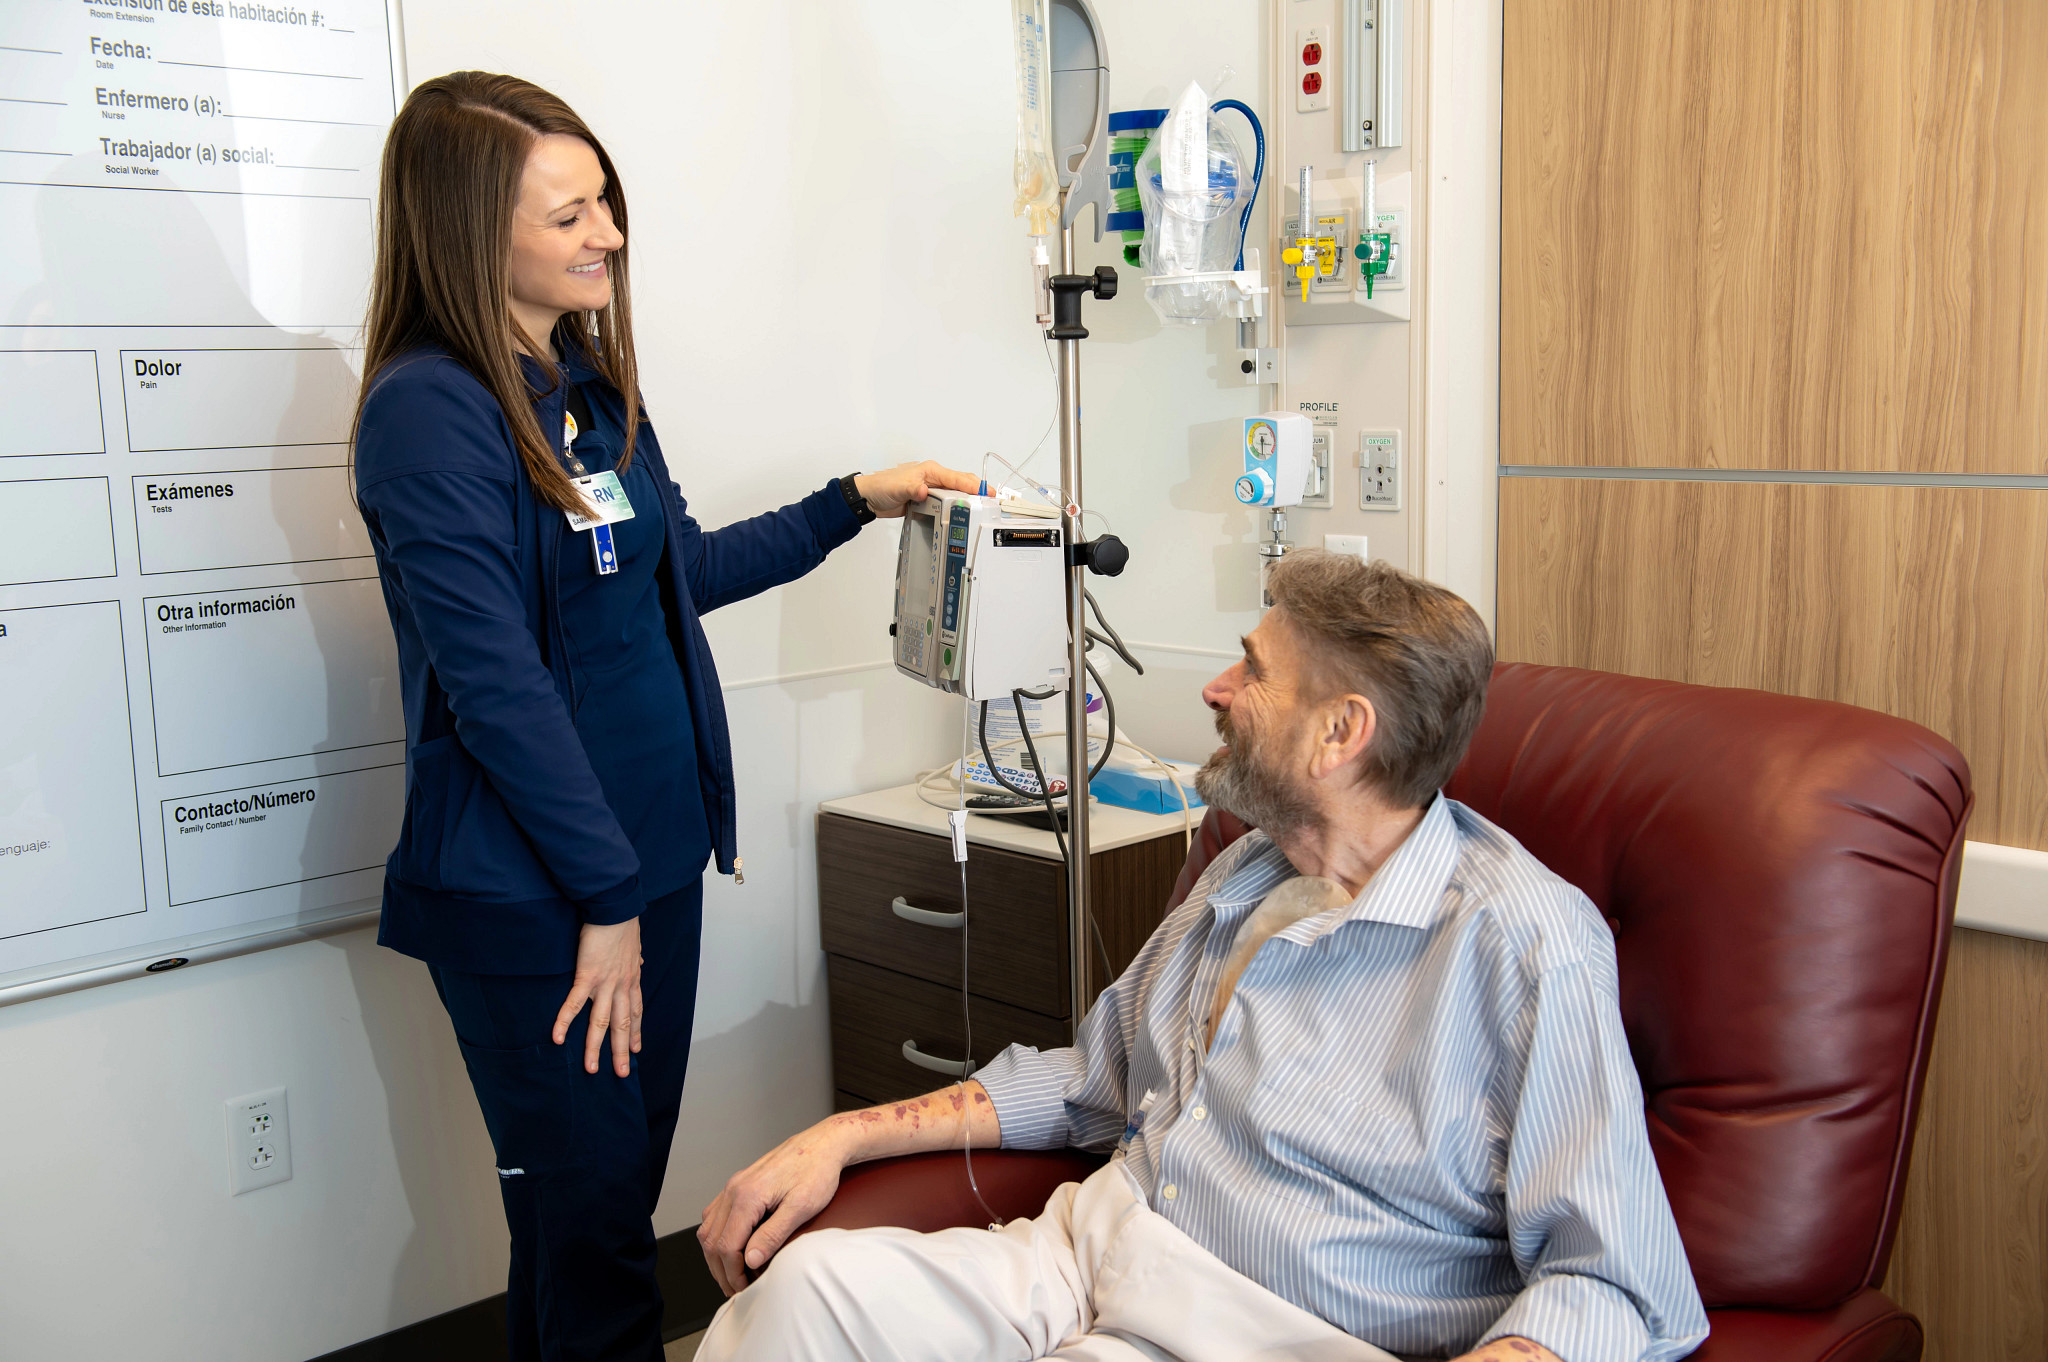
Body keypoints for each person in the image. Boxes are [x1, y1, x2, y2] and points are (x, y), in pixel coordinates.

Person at [695, 553, 1710, 1362]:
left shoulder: (1525, 941)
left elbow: (1608, 1279)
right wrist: (841, 1136)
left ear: (1338, 732)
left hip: (1277, 1326)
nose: (1216, 690)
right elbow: (1092, 1080)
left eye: (1252, 670)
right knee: (803, 1301)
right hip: (1083, 1250)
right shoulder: (1252, 872)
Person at [349, 72, 978, 1362]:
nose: (608, 237)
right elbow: (497, 688)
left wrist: (853, 499)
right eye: (570, 214)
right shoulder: (428, 412)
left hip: (646, 866)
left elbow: (673, 569)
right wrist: (603, 902)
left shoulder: (581, 380)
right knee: (589, 1240)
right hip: (548, 903)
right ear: (472, 232)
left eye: (606, 206)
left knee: (602, 1212)